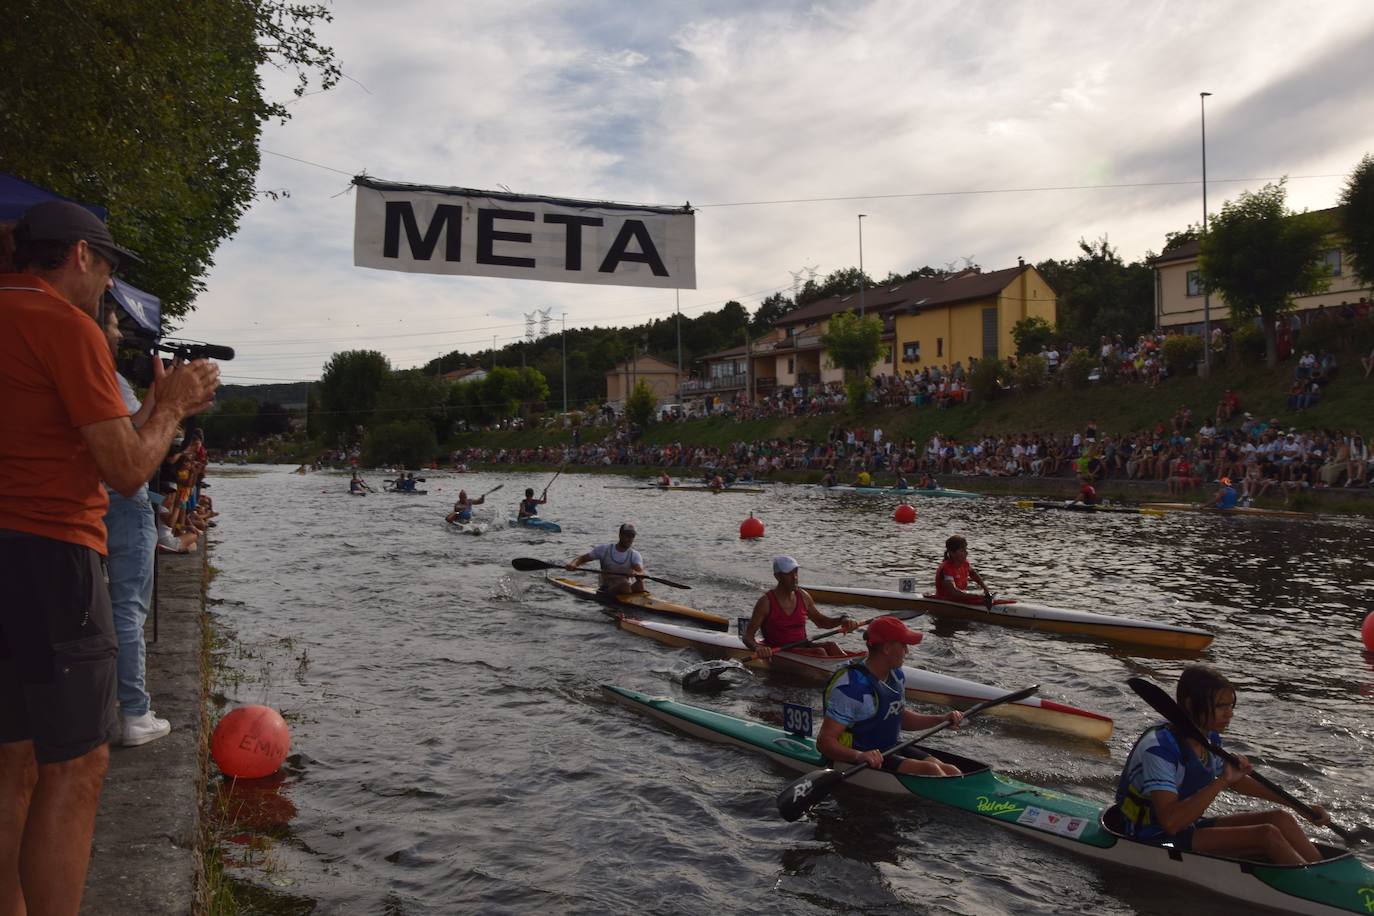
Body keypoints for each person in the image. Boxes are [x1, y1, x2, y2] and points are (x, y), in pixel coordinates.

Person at [0, 201, 218, 915]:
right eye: (109, 267)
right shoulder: (64, 326)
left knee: (12, 760)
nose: (108, 287)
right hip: (47, 555)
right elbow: (126, 471)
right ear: (81, 258)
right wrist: (174, 406)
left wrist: (149, 411)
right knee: (76, 764)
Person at [1115, 665, 1328, 864]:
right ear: (1190, 704)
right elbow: (1170, 823)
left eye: (1230, 706)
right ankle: (1318, 893)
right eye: (1220, 706)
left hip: (1186, 827)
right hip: (1148, 835)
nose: (1229, 714)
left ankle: (1325, 875)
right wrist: (1222, 780)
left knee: (1281, 819)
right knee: (1267, 835)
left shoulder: (1209, 739)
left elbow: (1237, 782)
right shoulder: (1159, 749)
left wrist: (1300, 807)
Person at [99, 305, 170, 747]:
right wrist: (170, 403)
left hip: (90, 499)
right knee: (127, 608)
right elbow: (134, 438)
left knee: (94, 607)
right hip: (124, 500)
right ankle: (135, 712)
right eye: (111, 325)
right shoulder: (102, 373)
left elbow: (131, 422)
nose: (119, 335)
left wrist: (159, 396)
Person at [816, 616, 963, 776]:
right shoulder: (852, 687)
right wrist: (859, 756)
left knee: (952, 770)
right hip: (858, 756)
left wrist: (941, 719)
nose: (907, 651)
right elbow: (824, 742)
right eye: (903, 645)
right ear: (887, 648)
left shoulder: (896, 675)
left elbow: (899, 717)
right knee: (932, 770)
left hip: (887, 747)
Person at [743, 556, 860, 659]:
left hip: (802, 646)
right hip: (781, 651)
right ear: (777, 576)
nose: (794, 577)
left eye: (796, 572)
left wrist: (843, 620)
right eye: (789, 573)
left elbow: (822, 622)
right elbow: (747, 636)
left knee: (832, 646)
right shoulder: (765, 602)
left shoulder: (803, 596)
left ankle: (851, 671)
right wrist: (757, 648)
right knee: (820, 652)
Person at [565, 523, 646, 595]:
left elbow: (641, 572)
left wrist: (637, 573)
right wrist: (573, 564)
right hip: (606, 588)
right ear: (620, 535)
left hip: (625, 588)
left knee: (640, 584)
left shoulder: (634, 554)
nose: (630, 539)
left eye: (633, 536)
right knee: (625, 585)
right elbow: (582, 558)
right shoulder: (604, 550)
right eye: (627, 535)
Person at [934, 535, 992, 606]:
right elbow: (953, 592)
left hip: (960, 600)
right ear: (952, 553)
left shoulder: (965, 564)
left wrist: (986, 589)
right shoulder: (946, 569)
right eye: (962, 550)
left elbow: (973, 574)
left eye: (965, 549)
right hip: (945, 603)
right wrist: (979, 596)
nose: (966, 553)